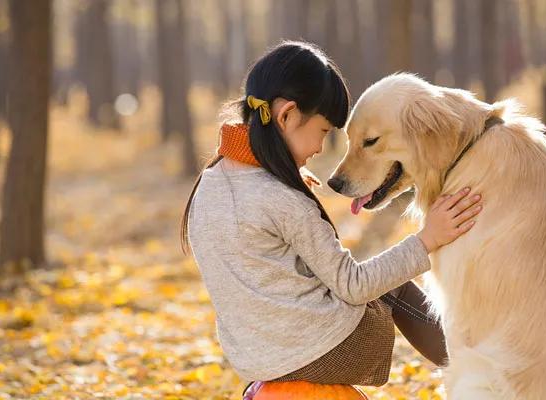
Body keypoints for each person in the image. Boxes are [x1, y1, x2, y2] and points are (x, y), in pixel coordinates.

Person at [180, 41, 482, 397]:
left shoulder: (211, 181)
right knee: (390, 285)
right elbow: (353, 285)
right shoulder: (283, 201)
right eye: (323, 131)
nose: (321, 148)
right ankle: (479, 370)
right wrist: (427, 239)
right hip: (320, 351)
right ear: (287, 115)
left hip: (254, 357)